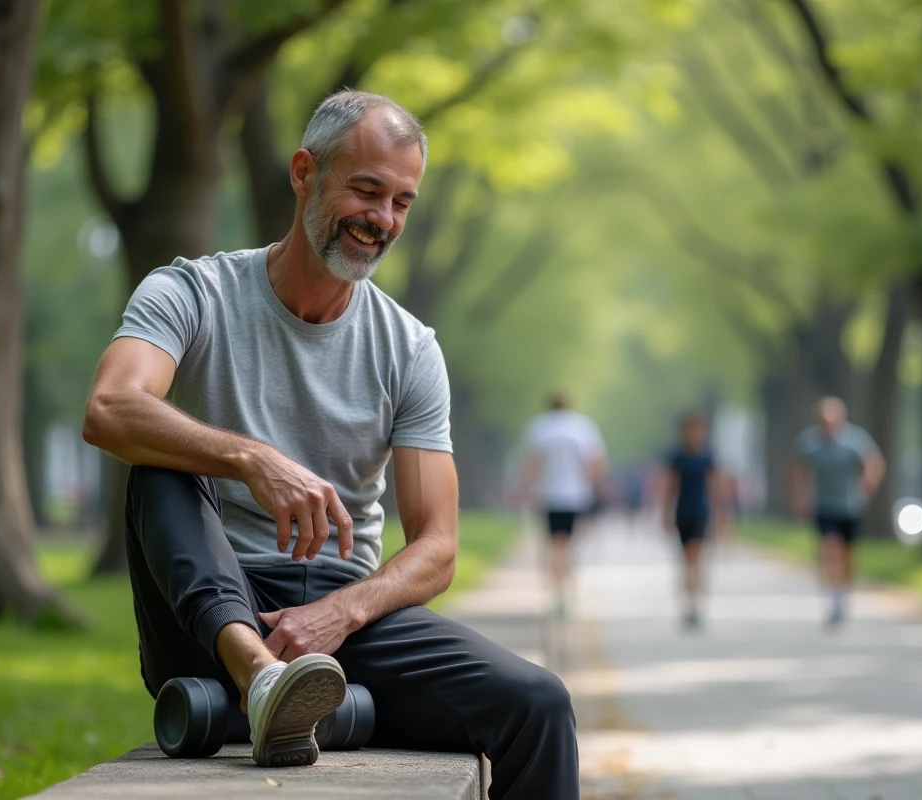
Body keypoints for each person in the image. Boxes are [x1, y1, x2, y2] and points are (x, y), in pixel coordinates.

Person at [81, 91, 576, 798]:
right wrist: (252, 459)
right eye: (367, 190)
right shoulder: (192, 292)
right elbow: (107, 409)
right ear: (303, 173)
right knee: (161, 462)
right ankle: (258, 683)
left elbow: (437, 546)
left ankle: (291, 702)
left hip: (339, 620)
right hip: (210, 607)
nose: (383, 220)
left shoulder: (408, 348)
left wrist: (341, 614)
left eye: (402, 202)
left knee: (540, 705)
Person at [790, 397, 885, 628]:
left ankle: (843, 594)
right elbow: (797, 469)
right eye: (824, 421)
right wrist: (801, 497)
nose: (828, 425)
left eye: (832, 420)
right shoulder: (810, 443)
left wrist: (867, 485)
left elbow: (874, 462)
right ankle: (833, 600)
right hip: (824, 505)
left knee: (847, 554)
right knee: (829, 548)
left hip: (851, 506)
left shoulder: (855, 439)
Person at [521, 392, 606, 618]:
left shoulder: (540, 428)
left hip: (549, 494)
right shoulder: (583, 427)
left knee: (554, 544)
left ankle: (558, 592)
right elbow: (594, 462)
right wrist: (595, 488)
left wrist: (528, 488)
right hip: (576, 495)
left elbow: (533, 462)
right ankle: (567, 589)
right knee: (568, 543)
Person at [662, 413, 727, 629]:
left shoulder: (708, 457)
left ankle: (696, 603)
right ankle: (688, 602)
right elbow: (670, 488)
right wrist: (665, 514)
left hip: (701, 512)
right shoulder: (677, 457)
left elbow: (716, 489)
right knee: (687, 560)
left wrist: (721, 517)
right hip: (683, 512)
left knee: (695, 555)